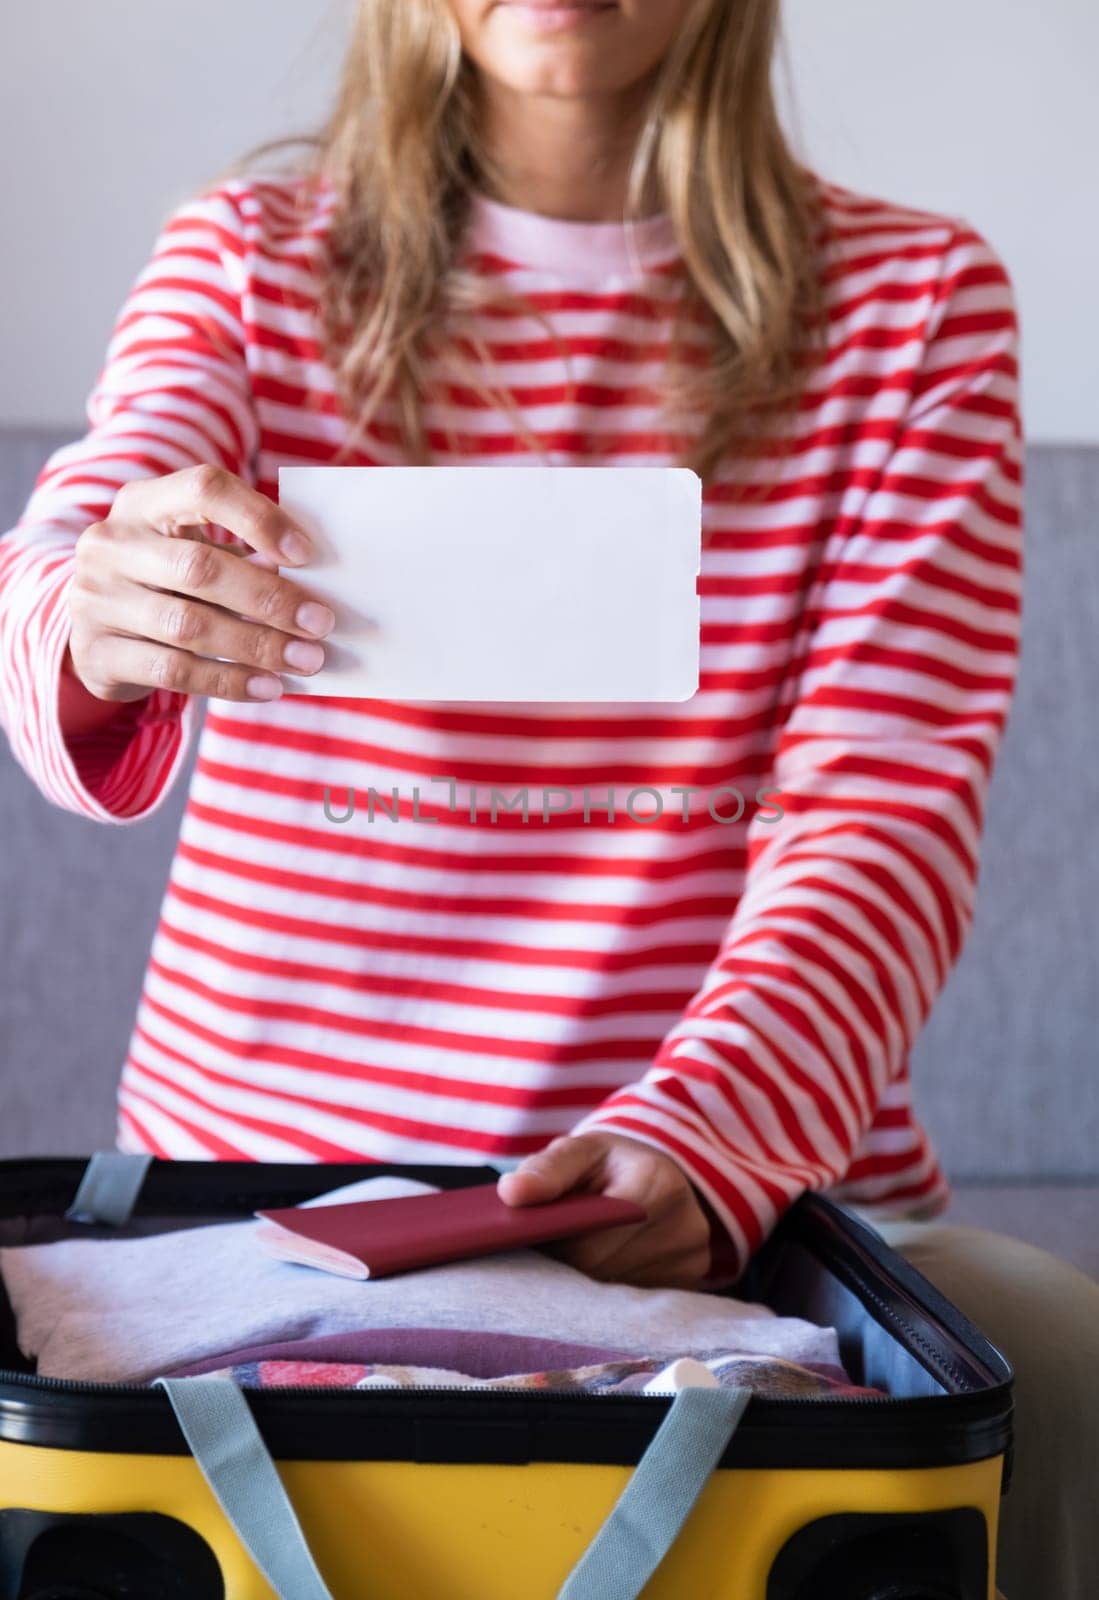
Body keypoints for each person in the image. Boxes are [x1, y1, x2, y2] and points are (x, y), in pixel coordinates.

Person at [0, 0, 1095, 1593]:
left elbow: (884, 808)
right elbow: (85, 533)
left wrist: (710, 1137)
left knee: (1050, 1350)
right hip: (255, 1205)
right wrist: (94, 618)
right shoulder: (247, 256)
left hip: (763, 1204)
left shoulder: (915, 305)